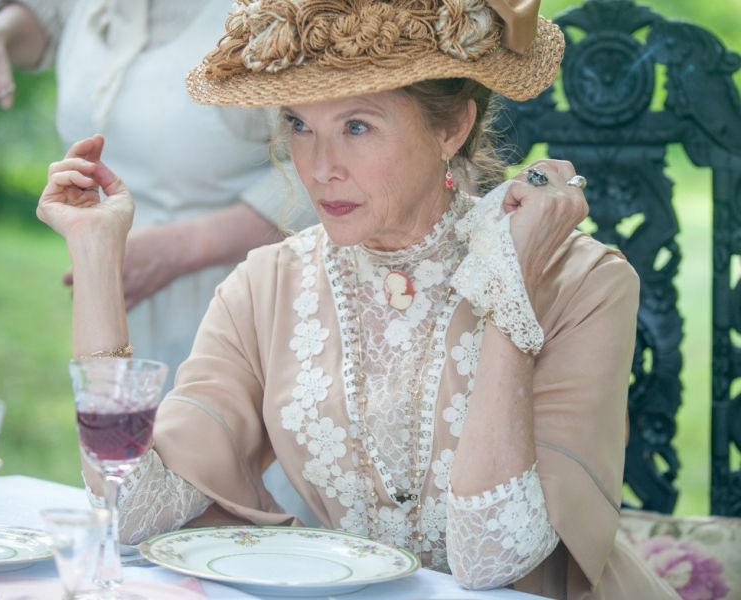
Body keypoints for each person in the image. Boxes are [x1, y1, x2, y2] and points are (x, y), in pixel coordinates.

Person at [36, 0, 680, 597]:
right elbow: (134, 507)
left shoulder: (584, 283)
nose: (320, 169)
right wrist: (96, 254)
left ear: (453, 126)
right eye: (300, 125)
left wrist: (509, 288)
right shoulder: (266, 285)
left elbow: (495, 564)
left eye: (357, 126)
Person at [0, 0, 315, 390]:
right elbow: (49, 12)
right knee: (111, 420)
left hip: (247, 313)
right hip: (113, 316)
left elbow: (331, 167)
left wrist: (182, 248)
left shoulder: (280, 13)